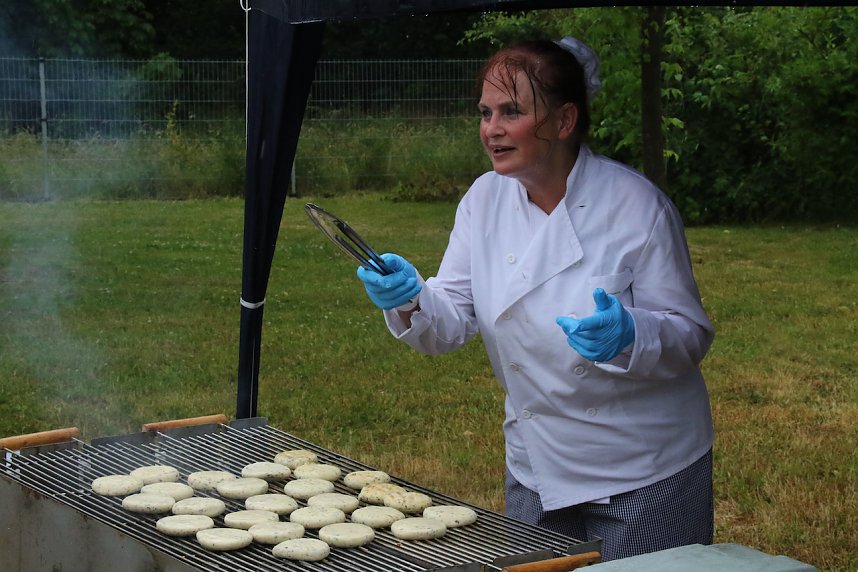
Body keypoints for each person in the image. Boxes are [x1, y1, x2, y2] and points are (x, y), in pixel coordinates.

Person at [355, 37, 715, 562]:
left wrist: (632, 334)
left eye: (511, 112)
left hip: (643, 468)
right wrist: (412, 299)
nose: (490, 129)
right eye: (484, 112)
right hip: (535, 462)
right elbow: (451, 320)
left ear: (564, 121)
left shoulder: (637, 207)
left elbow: (690, 333)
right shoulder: (483, 201)